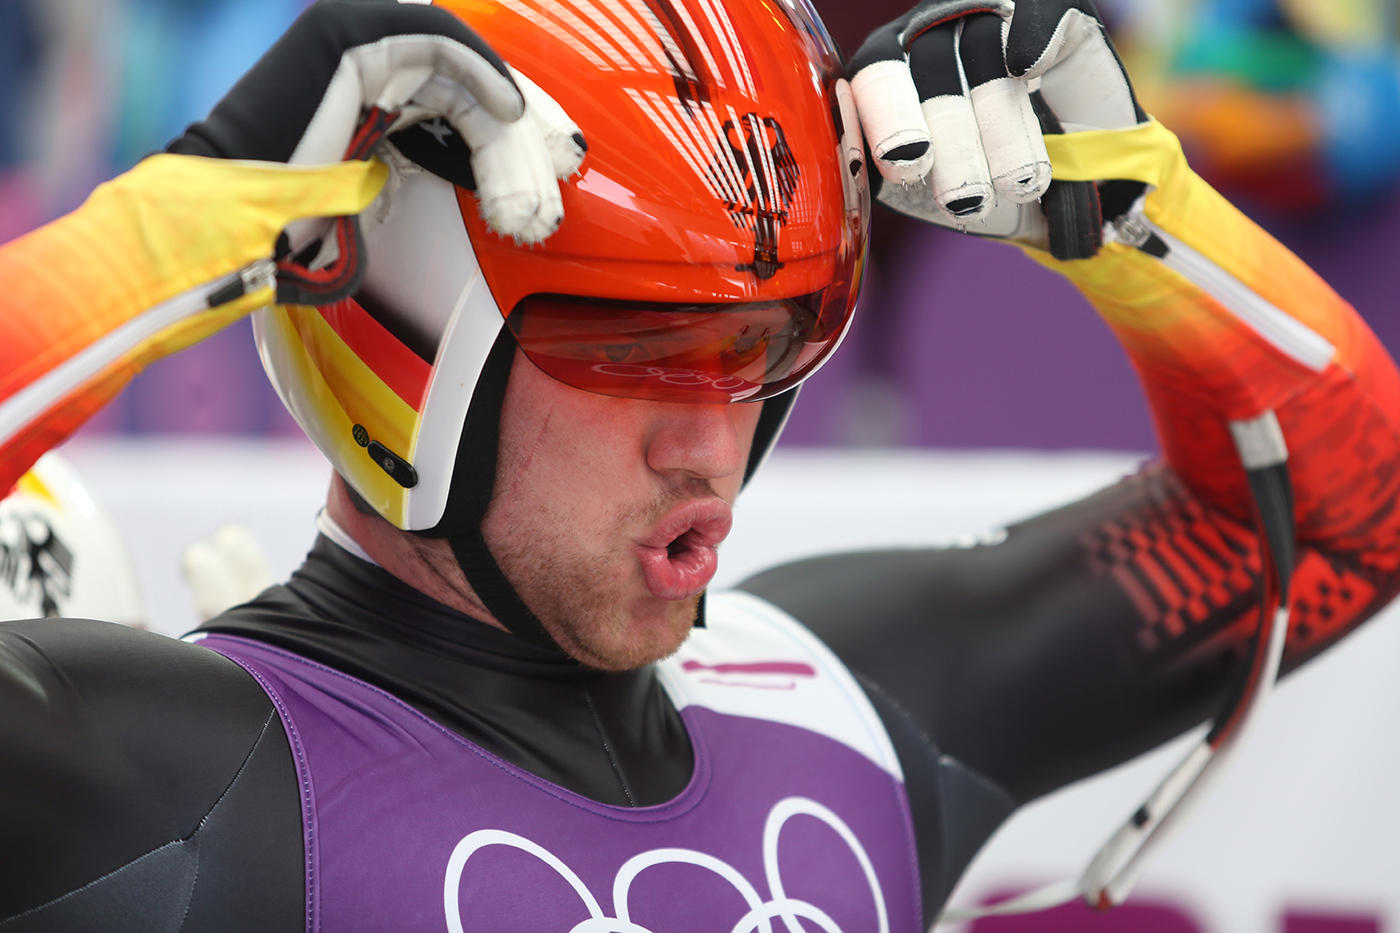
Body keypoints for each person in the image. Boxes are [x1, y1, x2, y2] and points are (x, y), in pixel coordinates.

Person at [1, 0, 1397, 930]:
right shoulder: (164, 781)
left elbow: (1348, 524)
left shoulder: (851, 706)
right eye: (633, 350)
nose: (710, 437)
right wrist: (171, 231)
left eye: (762, 345)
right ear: (406, 335)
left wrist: (1149, 217)